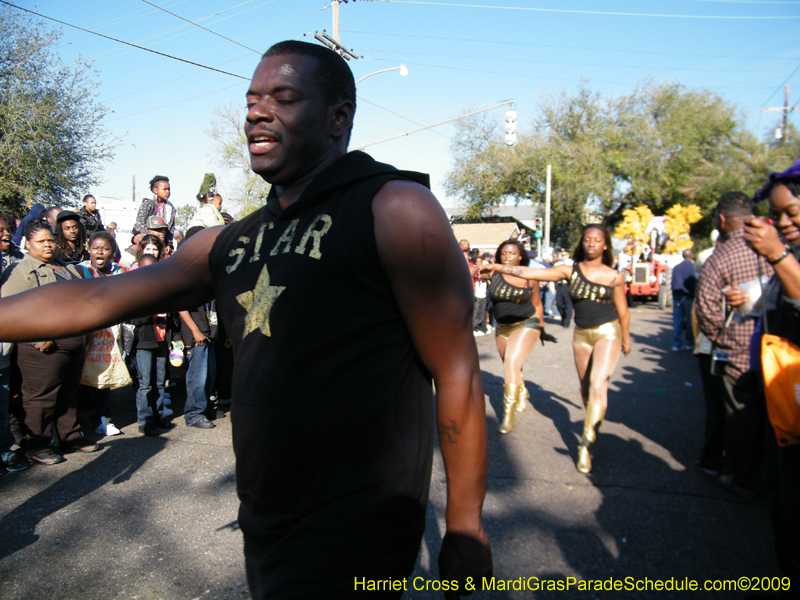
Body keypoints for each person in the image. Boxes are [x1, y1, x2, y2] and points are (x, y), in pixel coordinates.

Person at [0, 40, 491, 597]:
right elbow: (95, 299)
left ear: (338, 117)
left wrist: (465, 526)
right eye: (252, 99)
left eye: (282, 97)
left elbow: (458, 373)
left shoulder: (395, 209)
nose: (257, 111)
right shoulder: (228, 240)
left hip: (359, 526)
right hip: (266, 519)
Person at [481, 225, 631, 473]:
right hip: (582, 335)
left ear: (605, 245)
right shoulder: (568, 271)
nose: (591, 244)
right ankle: (591, 421)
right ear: (582, 244)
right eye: (587, 240)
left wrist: (625, 338)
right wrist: (498, 267)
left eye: (597, 240)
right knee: (585, 388)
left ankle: (586, 445)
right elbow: (530, 272)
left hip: (608, 332)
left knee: (597, 383)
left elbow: (623, 311)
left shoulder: (615, 276)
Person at [729, 161, 800, 584]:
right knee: (782, 495)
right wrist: (751, 300)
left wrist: (776, 253)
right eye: (779, 216)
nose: (784, 223)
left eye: (793, 213)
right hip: (781, 400)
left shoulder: (784, 252)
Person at [0, 220, 98, 465]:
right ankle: (37, 444)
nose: (47, 245)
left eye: (51, 240)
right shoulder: (20, 271)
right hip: (42, 346)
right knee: (40, 397)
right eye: (41, 241)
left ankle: (70, 436)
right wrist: (38, 340)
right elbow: (10, 312)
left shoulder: (67, 268)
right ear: (28, 244)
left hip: (73, 341)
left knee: (69, 392)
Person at [695, 191, 772, 499]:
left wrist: (724, 340)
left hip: (738, 351)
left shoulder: (721, 257)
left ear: (722, 220)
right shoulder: (773, 247)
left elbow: (706, 308)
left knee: (740, 413)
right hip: (779, 345)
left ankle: (744, 479)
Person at [477, 240, 545, 433]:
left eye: (512, 253)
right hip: (503, 328)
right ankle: (522, 390)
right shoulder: (493, 273)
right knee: (511, 363)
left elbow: (538, 303)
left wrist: (542, 327)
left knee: (510, 364)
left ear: (520, 256)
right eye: (504, 253)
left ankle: (508, 413)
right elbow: (469, 270)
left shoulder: (530, 277)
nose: (507, 256)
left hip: (526, 323)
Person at [77, 231, 127, 437]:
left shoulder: (121, 272)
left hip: (111, 333)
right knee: (81, 378)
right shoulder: (80, 271)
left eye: (105, 248)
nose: (99, 252)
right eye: (95, 248)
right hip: (85, 333)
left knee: (104, 377)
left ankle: (103, 419)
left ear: (112, 252)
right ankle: (80, 423)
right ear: (88, 249)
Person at [133, 175, 176, 245]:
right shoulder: (148, 203)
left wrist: (169, 244)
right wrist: (149, 238)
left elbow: (171, 229)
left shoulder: (171, 208)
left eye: (169, 189)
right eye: (164, 189)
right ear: (155, 190)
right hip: (145, 235)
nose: (167, 192)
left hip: (162, 236)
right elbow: (140, 223)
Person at [671, 249, 696, 352]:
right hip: (688, 297)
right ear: (692, 256)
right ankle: (689, 343)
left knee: (678, 322)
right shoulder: (693, 267)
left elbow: (672, 283)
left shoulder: (676, 267)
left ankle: (676, 344)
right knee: (690, 322)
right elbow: (694, 282)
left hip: (677, 297)